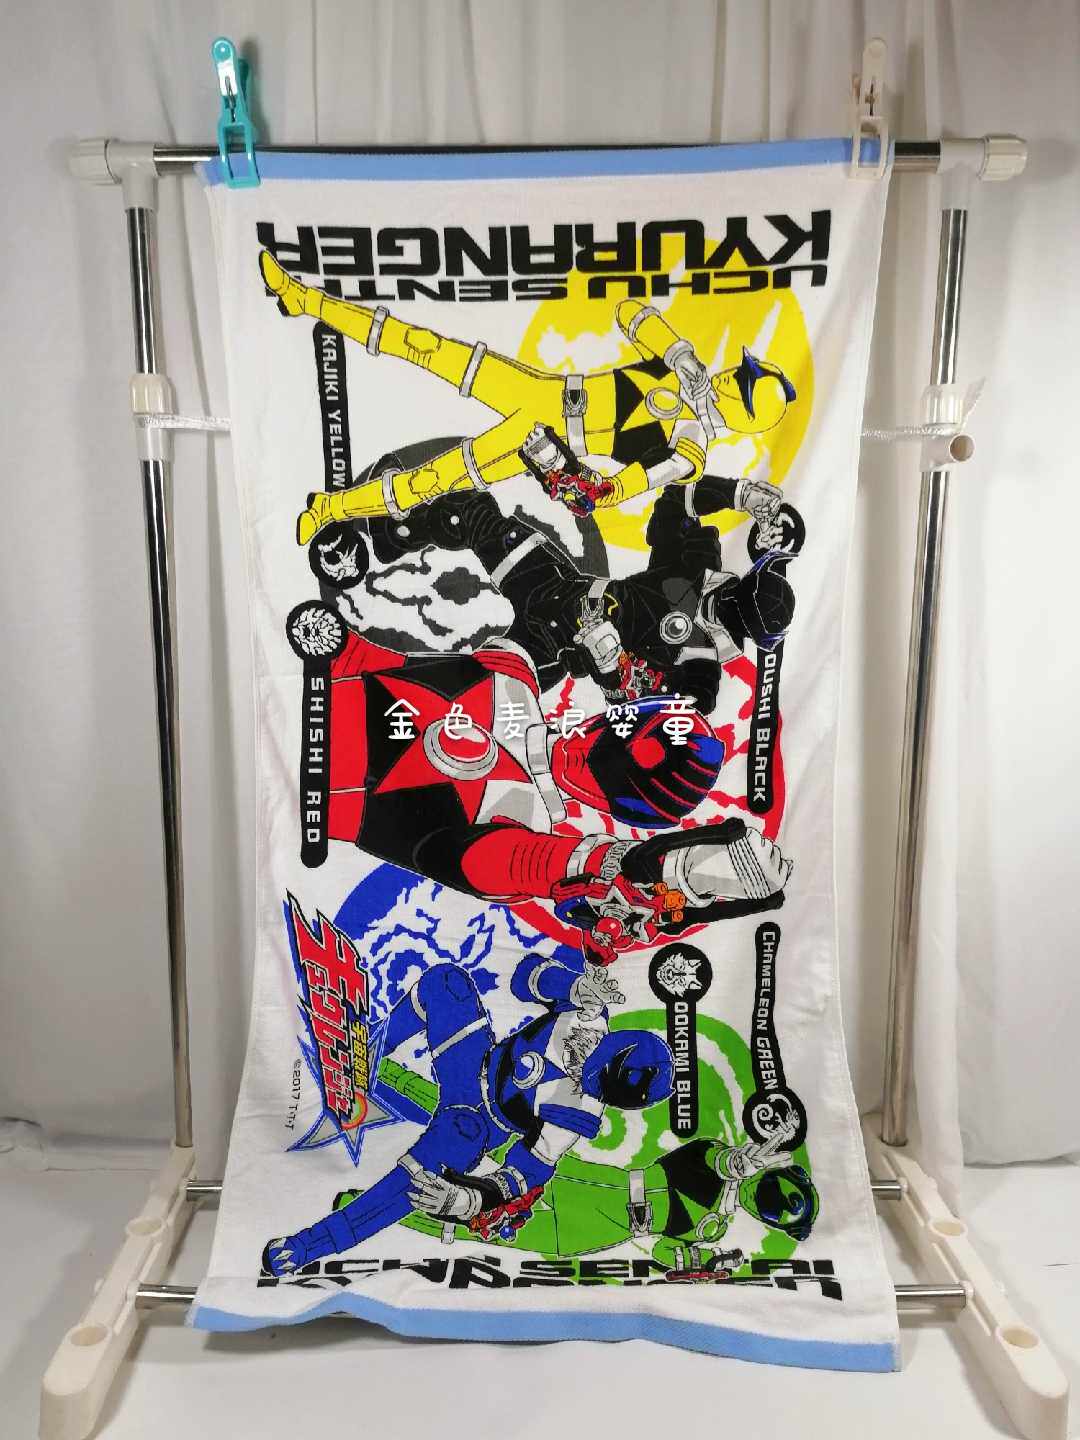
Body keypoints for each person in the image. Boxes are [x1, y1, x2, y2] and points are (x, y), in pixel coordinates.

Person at [257, 250, 796, 540]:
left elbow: (627, 485)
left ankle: (332, 509)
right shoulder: (683, 369)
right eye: (739, 372)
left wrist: (593, 487)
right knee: (424, 345)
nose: (730, 377)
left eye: (742, 384)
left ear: (746, 414)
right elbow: (630, 311)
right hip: (541, 390)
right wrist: (678, 352)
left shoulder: (690, 446)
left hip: (541, 437)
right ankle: (304, 298)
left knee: (434, 479)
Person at [262, 954, 673, 1276]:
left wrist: (469, 1198)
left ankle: (309, 1246)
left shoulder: (576, 1112)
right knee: (447, 983)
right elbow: (524, 976)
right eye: (591, 1057)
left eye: (591, 1079)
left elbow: (525, 1173)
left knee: (419, 1181)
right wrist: (570, 984)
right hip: (472, 1061)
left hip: (478, 1125)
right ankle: (367, 1052)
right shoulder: (585, 1014)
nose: (579, 1067)